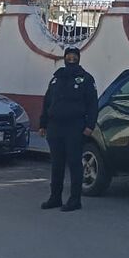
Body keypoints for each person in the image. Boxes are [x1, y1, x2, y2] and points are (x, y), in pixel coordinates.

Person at [39, 46, 97, 212]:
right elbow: (47, 101)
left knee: (74, 163)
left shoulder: (86, 79)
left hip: (75, 127)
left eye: (74, 57)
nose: (71, 60)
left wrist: (89, 126)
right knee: (57, 164)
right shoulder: (56, 78)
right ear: (64, 58)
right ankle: (55, 197)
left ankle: (74, 200)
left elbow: (93, 104)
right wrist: (43, 124)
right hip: (55, 126)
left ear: (78, 59)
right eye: (69, 57)